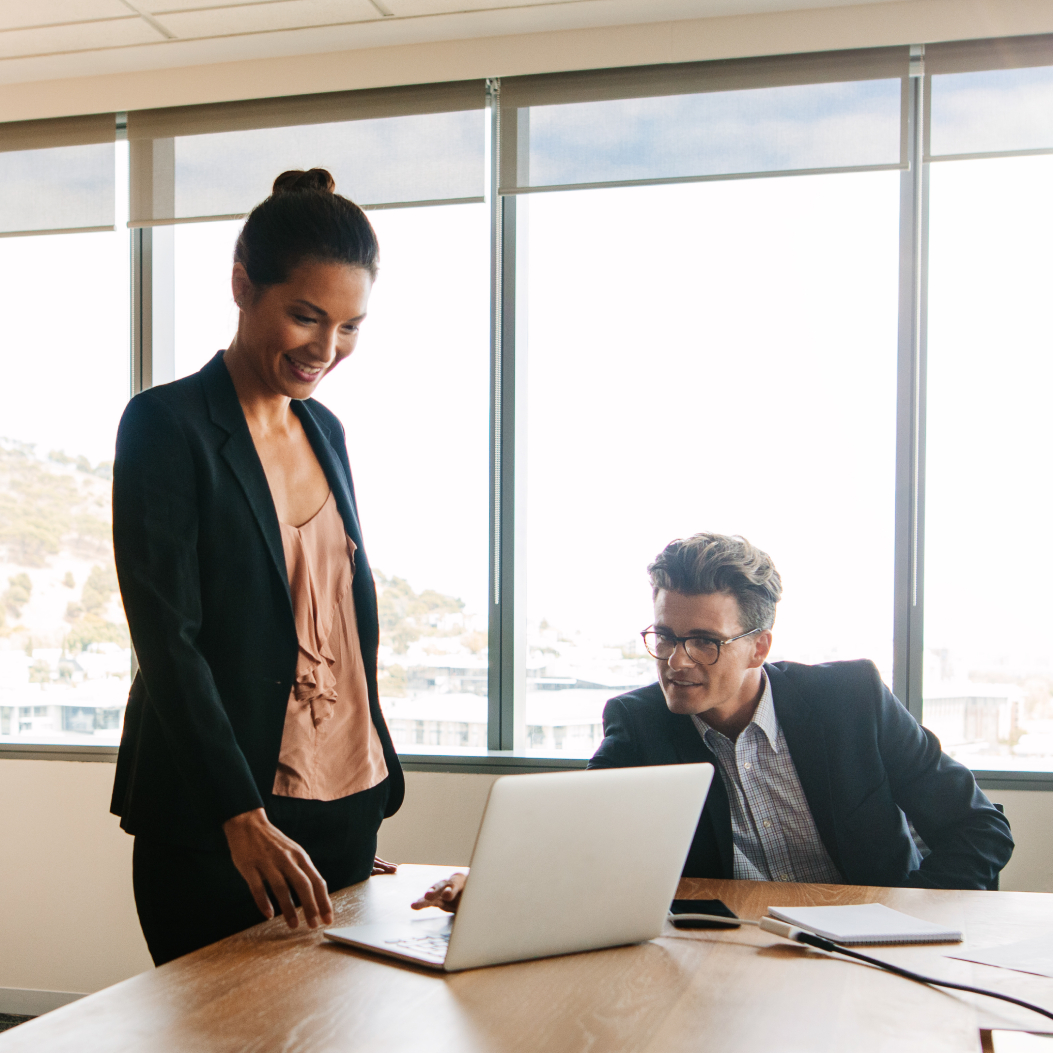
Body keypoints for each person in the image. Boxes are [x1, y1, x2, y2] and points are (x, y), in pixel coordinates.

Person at [111, 168, 404, 965]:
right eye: (306, 316)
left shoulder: (326, 430)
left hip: (345, 802)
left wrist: (367, 777)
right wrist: (238, 814)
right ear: (242, 285)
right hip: (225, 817)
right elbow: (167, 638)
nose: (327, 348)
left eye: (349, 326)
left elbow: (339, 610)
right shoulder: (166, 424)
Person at [587, 533, 1013, 889]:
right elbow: (581, 848)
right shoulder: (639, 723)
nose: (676, 661)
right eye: (664, 636)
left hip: (873, 942)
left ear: (759, 647)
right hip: (730, 953)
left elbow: (979, 828)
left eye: (704, 641)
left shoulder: (852, 699)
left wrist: (906, 919)